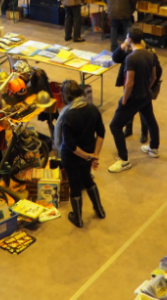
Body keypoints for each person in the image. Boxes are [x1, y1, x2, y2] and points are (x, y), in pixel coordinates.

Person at [107, 27, 161, 173]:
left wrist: (124, 99)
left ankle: (123, 160)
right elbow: (154, 77)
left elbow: (129, 83)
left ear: (129, 40)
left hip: (133, 98)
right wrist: (147, 88)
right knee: (150, 120)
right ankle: (154, 148)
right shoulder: (150, 54)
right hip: (146, 95)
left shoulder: (131, 58)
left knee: (115, 126)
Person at [54, 80, 106, 227]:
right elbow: (101, 133)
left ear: (66, 96)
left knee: (75, 185)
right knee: (87, 179)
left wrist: (90, 156)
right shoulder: (93, 109)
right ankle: (99, 210)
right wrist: (94, 155)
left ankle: (78, 219)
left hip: (71, 157)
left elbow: (70, 146)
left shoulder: (67, 116)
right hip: (88, 152)